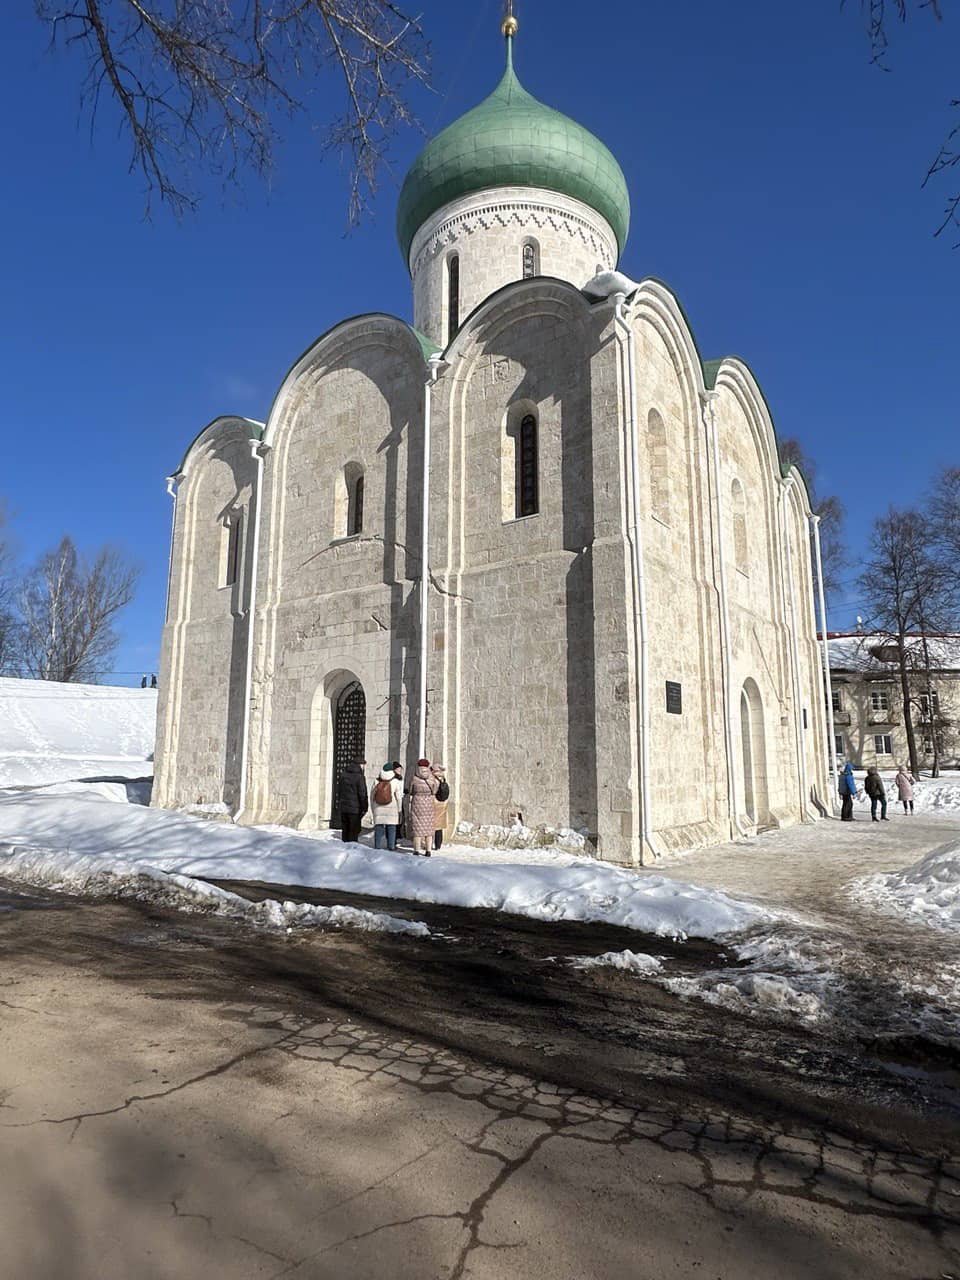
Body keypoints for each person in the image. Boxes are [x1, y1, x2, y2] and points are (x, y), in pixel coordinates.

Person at [409, 757, 439, 856]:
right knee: (429, 829)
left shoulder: (414, 778)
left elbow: (410, 790)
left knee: (417, 829)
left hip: (417, 804)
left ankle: (416, 850)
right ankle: (428, 850)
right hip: (429, 804)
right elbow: (434, 791)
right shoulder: (431, 778)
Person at [370, 764, 403, 851]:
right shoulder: (395, 781)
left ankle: (377, 846)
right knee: (391, 827)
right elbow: (398, 797)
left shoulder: (376, 781)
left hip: (378, 807)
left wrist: (373, 808)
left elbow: (372, 796)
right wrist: (399, 810)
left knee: (378, 827)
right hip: (392, 808)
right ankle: (391, 846)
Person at [337, 758, 367, 844]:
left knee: (345, 830)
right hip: (355, 808)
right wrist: (364, 807)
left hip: (344, 807)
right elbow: (362, 793)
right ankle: (352, 852)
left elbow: (339, 791)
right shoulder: (360, 777)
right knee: (353, 832)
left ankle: (344, 849)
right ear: (360, 765)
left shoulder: (343, 775)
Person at [432, 763, 450, 851]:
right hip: (443, 803)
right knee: (439, 826)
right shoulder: (443, 778)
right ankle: (438, 844)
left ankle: (429, 843)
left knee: (432, 824)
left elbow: (433, 791)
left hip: (435, 802)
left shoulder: (433, 779)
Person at [392, 761, 406, 840]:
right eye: (398, 769)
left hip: (400, 798)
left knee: (401, 817)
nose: (400, 771)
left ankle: (398, 833)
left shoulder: (400, 778)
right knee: (396, 818)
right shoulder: (393, 778)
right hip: (396, 800)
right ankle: (396, 834)